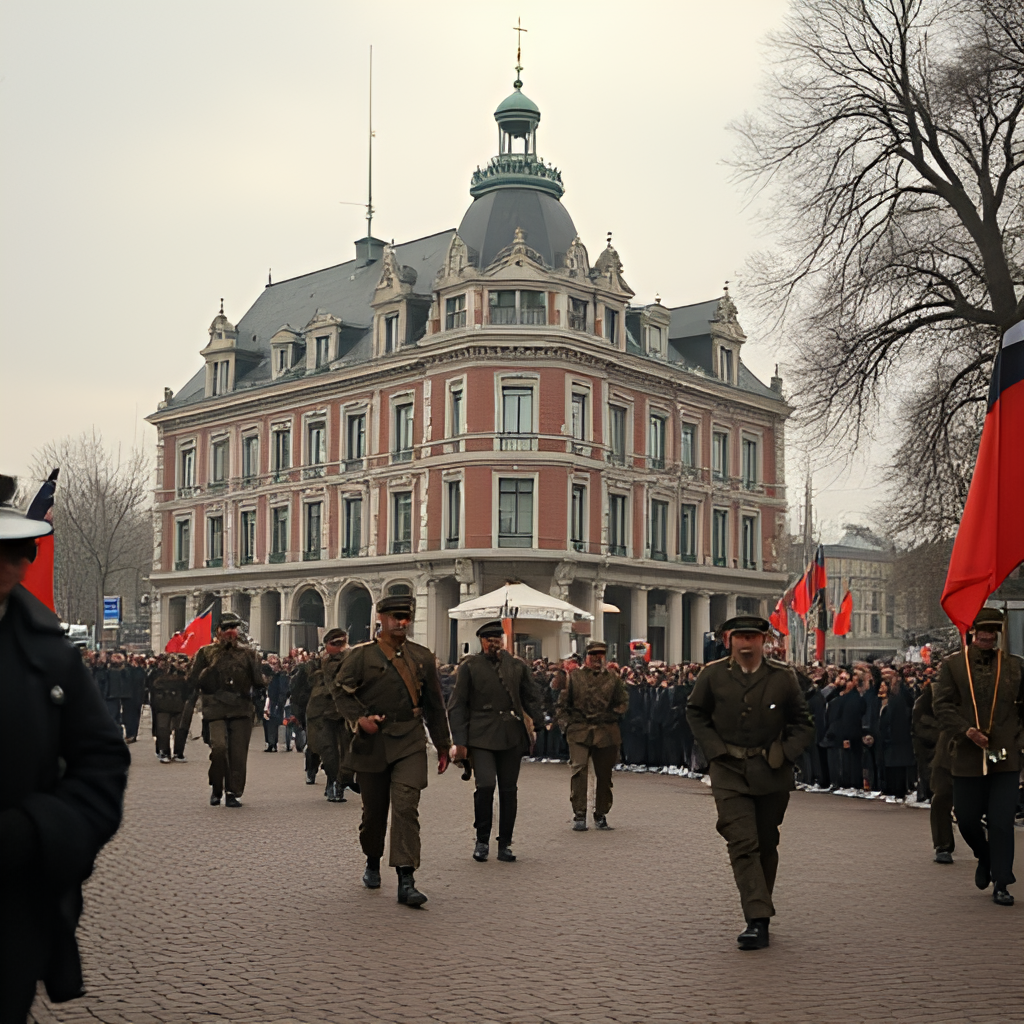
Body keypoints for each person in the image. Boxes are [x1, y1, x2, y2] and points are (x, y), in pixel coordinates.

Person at [0, 475, 130, 1021]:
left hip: (9, 912)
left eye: (19, 549)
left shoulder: (49, 652)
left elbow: (100, 763)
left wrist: (36, 833)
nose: (14, 563)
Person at [686, 616, 815, 951]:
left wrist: (786, 753)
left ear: (764, 641)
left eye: (752, 637)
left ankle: (761, 909)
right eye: (739, 636)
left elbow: (804, 723)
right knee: (741, 842)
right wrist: (714, 752)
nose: (746, 643)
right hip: (728, 771)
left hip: (771, 770)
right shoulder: (712, 675)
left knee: (766, 842)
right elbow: (695, 713)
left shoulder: (782, 677)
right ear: (728, 640)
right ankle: (757, 919)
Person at [329, 595, 451, 906]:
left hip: (410, 739)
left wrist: (443, 745)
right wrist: (359, 719)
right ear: (380, 618)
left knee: (406, 806)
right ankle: (372, 859)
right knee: (374, 815)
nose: (401, 623)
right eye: (395, 617)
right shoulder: (361, 656)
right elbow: (339, 690)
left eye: (406, 618)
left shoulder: (422, 658)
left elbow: (435, 706)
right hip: (373, 743)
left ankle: (406, 878)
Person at [932, 607, 1023, 906]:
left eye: (993, 632)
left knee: (1000, 821)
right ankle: (985, 857)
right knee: (968, 819)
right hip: (968, 755)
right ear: (972, 632)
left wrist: (1019, 741)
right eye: (983, 631)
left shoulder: (1015, 666)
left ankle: (1002, 881)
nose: (987, 636)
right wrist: (966, 730)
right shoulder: (954, 666)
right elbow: (942, 705)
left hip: (1004, 755)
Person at [448, 620, 541, 863]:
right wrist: (459, 741)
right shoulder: (471, 667)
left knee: (509, 790)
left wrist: (541, 722)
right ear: (481, 641)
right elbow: (457, 705)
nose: (494, 643)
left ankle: (505, 843)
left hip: (511, 734)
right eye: (489, 639)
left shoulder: (516, 666)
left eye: (498, 638)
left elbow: (530, 696)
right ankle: (481, 840)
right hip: (481, 735)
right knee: (486, 785)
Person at [187, 612, 265, 808]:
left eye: (234, 628)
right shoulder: (205, 653)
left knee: (238, 755)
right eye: (226, 628)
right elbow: (193, 680)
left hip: (241, 709)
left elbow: (258, 683)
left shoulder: (249, 654)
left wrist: (260, 694)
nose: (231, 632)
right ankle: (216, 786)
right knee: (219, 748)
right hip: (215, 709)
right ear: (218, 631)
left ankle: (233, 792)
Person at [556, 640, 629, 831]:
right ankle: (579, 814)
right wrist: (566, 726)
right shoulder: (574, 677)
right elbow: (562, 705)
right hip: (579, 730)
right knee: (579, 770)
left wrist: (613, 714)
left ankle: (601, 813)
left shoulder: (613, 679)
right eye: (593, 655)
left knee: (604, 776)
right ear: (586, 657)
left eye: (600, 655)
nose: (597, 659)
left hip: (606, 731)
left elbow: (623, 702)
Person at [305, 628, 358, 802]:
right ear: (326, 646)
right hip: (321, 714)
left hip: (346, 714)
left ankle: (342, 781)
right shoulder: (316, 665)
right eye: (334, 644)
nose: (339, 648)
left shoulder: (353, 660)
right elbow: (301, 692)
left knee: (348, 753)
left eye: (341, 643)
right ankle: (334, 783)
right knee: (328, 752)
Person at [913, 674, 956, 863]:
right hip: (943, 752)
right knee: (941, 796)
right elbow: (919, 718)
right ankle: (943, 845)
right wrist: (939, 736)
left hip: (974, 750)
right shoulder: (934, 690)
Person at [146, 654, 189, 763]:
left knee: (178, 729)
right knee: (163, 729)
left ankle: (177, 752)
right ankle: (165, 752)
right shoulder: (155, 673)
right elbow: (151, 685)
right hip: (162, 704)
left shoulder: (182, 673)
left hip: (176, 703)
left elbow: (188, 687)